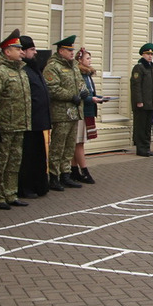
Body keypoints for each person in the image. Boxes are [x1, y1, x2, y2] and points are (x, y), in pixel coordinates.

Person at [0, 30, 32, 210]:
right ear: (7, 51)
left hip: (19, 124)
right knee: (0, 162)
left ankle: (11, 193)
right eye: (17, 48)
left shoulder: (20, 71)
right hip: (4, 126)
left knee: (14, 161)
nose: (22, 52)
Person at [44, 34, 87, 191]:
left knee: (69, 146)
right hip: (61, 113)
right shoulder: (52, 67)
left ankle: (66, 174)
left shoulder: (74, 66)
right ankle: (54, 177)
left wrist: (84, 92)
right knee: (58, 146)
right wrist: (71, 96)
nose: (71, 53)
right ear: (61, 51)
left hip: (74, 112)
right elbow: (52, 88)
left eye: (72, 50)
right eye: (69, 50)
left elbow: (81, 82)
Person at [18, 35, 51, 198]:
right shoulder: (22, 70)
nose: (35, 52)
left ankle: (39, 185)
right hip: (27, 121)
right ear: (22, 51)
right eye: (32, 49)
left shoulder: (33, 68)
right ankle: (26, 187)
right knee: (27, 156)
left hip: (38, 120)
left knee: (38, 156)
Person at [71, 48, 106, 183]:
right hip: (81, 111)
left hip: (89, 110)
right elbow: (81, 94)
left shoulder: (88, 75)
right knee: (79, 142)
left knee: (78, 142)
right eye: (87, 58)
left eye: (90, 58)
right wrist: (92, 99)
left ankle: (74, 170)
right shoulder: (79, 74)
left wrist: (100, 98)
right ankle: (84, 171)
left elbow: (90, 93)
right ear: (80, 60)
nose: (89, 61)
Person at [131, 43, 153, 156]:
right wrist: (139, 100)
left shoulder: (152, 67)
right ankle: (141, 149)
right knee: (141, 127)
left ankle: (147, 148)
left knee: (148, 127)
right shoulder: (139, 67)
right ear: (142, 54)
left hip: (151, 102)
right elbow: (136, 85)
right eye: (147, 54)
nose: (150, 56)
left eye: (151, 54)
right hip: (142, 103)